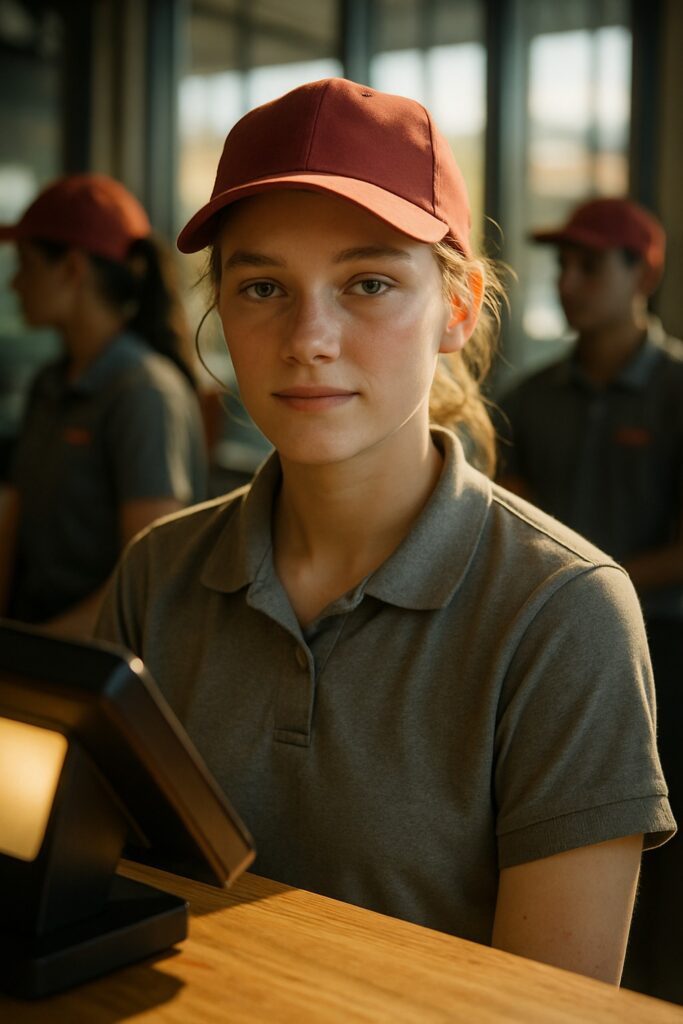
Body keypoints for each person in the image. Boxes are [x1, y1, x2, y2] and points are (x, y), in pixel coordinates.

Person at [95, 79, 675, 985]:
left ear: (455, 307)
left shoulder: (563, 614)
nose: (308, 337)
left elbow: (550, 1011)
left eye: (367, 282)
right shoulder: (157, 574)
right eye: (260, 286)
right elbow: (112, 908)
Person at [496, 196, 683, 1002]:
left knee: (661, 865)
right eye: (559, 264)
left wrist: (586, 592)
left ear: (641, 272)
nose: (566, 281)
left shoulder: (677, 391)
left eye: (587, 264)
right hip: (550, 655)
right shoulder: (530, 397)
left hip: (667, 657)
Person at [0, 173, 207, 635]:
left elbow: (151, 579)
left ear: (72, 270)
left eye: (27, 265)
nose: (15, 284)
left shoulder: (143, 392)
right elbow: (11, 524)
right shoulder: (48, 385)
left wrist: (33, 653)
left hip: (92, 667)